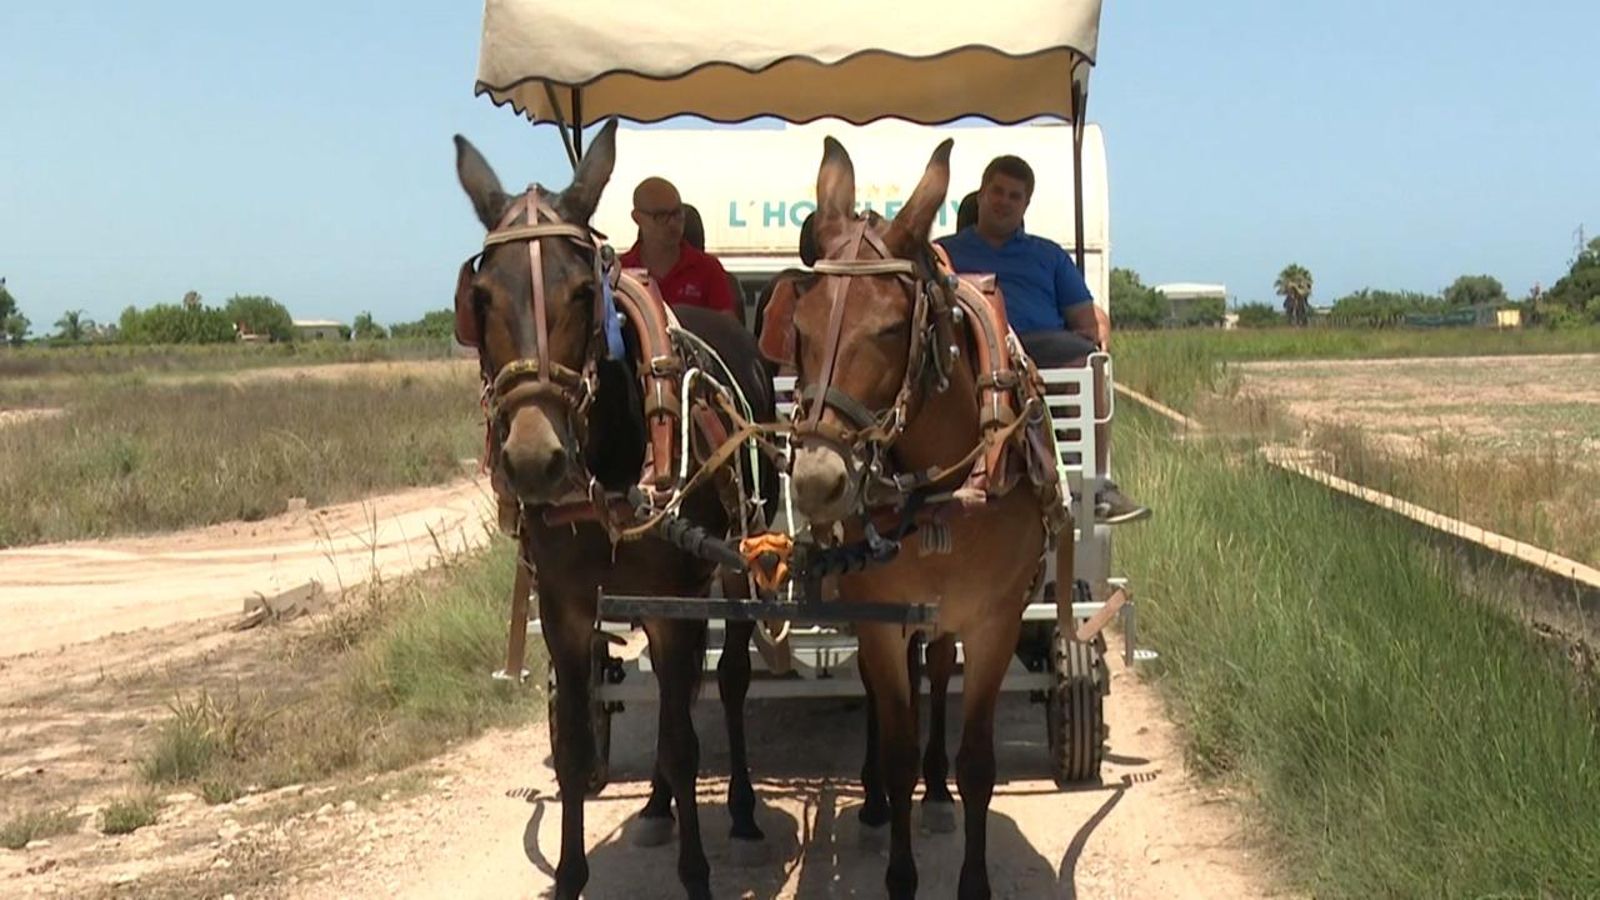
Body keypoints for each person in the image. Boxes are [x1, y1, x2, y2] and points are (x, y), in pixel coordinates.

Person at [936, 155, 1151, 525]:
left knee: (1090, 361)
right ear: (982, 194)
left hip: (1042, 347)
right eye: (997, 192)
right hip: (970, 347)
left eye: (1014, 195)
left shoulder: (1047, 255)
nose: (1004, 201)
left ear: (1025, 204)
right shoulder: (944, 253)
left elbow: (1085, 319)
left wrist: (1096, 331)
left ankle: (1095, 484)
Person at [619, 177, 739, 318]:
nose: (673, 224)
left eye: (677, 213)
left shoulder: (708, 269)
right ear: (637, 218)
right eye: (661, 216)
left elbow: (726, 331)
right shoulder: (622, 273)